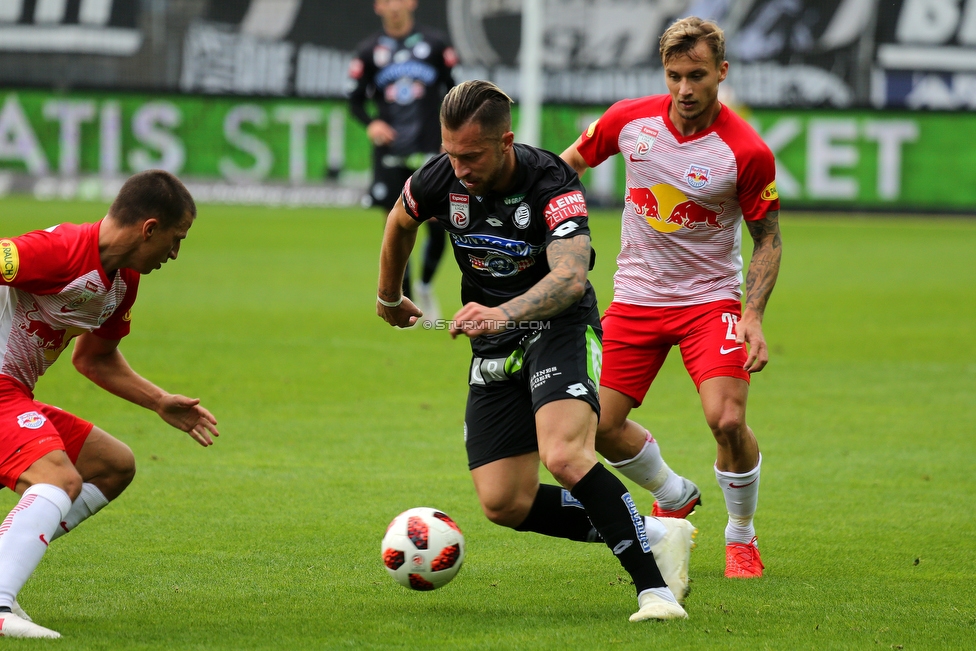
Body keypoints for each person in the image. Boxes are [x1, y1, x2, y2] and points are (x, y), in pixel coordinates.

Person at [377, 80, 696, 622]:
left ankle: (655, 593)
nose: (459, 169)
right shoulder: (442, 174)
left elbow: (570, 279)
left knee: (566, 455)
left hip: (559, 326)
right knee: (505, 502)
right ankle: (658, 533)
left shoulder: (551, 180)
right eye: (451, 154)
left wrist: (501, 312)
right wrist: (388, 294)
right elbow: (400, 221)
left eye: (472, 155)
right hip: (493, 341)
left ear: (506, 141)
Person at [561, 16, 782, 579]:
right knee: (600, 430)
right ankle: (674, 492)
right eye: (675, 75)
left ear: (722, 73)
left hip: (710, 301)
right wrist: (557, 233)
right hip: (634, 299)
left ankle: (741, 535)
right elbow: (568, 167)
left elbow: (768, 239)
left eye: (698, 76)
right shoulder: (628, 120)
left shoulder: (746, 151)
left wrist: (752, 313)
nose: (685, 89)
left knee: (726, 419)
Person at [0, 170, 219, 638]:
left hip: (12, 395)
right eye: (176, 239)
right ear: (149, 228)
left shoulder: (122, 283)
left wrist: (160, 401)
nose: (176, 253)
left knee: (113, 464)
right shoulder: (57, 251)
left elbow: (95, 359)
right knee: (58, 477)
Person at [349, 0, 455, 323]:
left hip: (429, 152)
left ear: (412, 3)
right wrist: (372, 124)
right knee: (396, 225)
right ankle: (401, 299)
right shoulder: (368, 51)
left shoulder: (435, 44)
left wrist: (447, 137)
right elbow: (354, 100)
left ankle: (424, 285)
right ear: (377, 6)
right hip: (390, 154)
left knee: (439, 225)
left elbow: (455, 92)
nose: (394, 6)